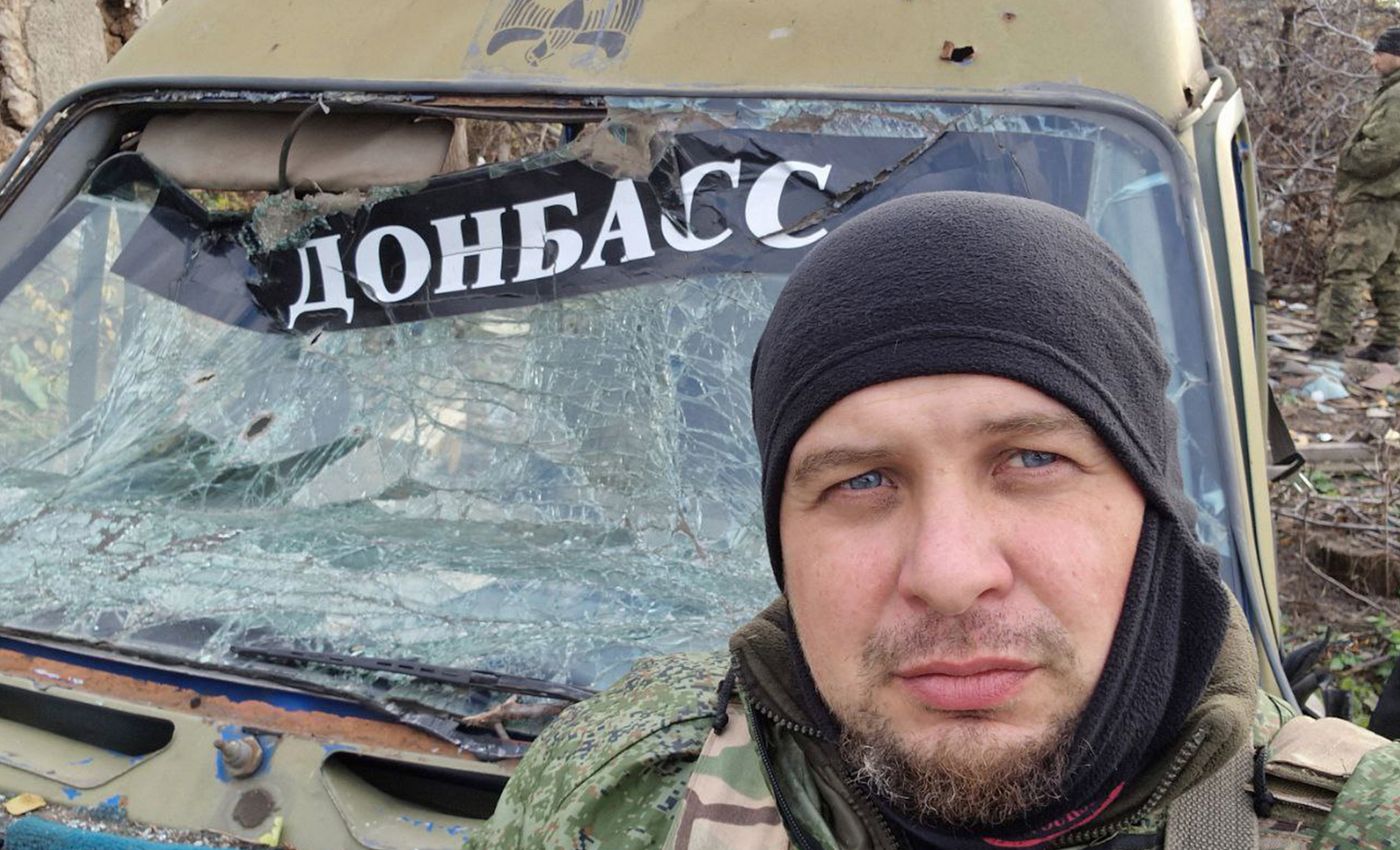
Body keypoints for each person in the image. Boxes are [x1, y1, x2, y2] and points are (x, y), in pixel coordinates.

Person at [469, 193, 1400, 850]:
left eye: (1031, 461)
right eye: (864, 480)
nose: (950, 574)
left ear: (1151, 507)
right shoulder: (613, 795)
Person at [1312, 26, 1400, 364]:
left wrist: (1347, 160)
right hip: (1391, 200)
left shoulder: (1396, 96)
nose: (1373, 60)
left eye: (1380, 53)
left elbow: (1384, 150)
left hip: (1376, 200)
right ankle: (1388, 344)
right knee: (1389, 274)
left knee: (1346, 271)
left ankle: (1329, 347)